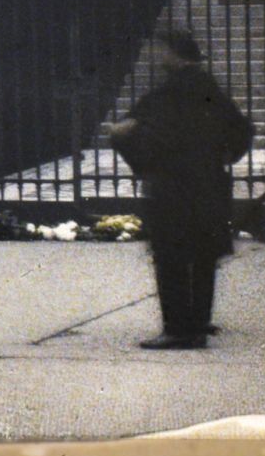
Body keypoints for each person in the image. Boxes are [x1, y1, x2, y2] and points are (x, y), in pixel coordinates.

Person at [106, 29, 253, 350]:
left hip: (171, 187)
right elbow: (242, 129)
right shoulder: (209, 88)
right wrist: (225, 155)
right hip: (208, 184)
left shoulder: (166, 95)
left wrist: (142, 163)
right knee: (203, 256)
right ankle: (198, 324)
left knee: (170, 256)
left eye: (158, 49)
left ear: (172, 52)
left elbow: (123, 131)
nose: (155, 57)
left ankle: (177, 329)